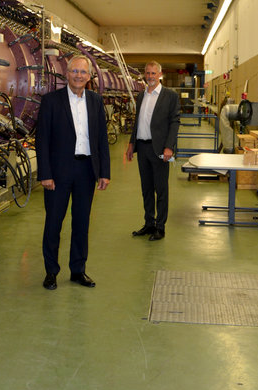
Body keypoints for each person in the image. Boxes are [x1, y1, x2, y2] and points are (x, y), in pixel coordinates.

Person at [36, 55, 110, 291]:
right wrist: (45, 173)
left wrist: (104, 172)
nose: (79, 75)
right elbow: (42, 139)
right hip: (58, 173)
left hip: (86, 170)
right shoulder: (51, 101)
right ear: (66, 74)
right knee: (53, 223)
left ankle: (78, 270)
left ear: (89, 76)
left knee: (81, 222)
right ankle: (51, 272)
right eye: (74, 71)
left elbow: (101, 138)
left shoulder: (96, 101)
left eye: (83, 72)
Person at [125, 61, 180, 241]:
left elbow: (175, 122)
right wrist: (131, 143)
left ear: (160, 74)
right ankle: (149, 223)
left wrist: (169, 146)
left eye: (153, 73)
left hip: (160, 149)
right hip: (142, 147)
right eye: (147, 73)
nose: (150, 76)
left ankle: (160, 227)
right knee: (146, 188)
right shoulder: (141, 96)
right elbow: (138, 122)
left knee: (161, 189)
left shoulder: (170, 96)